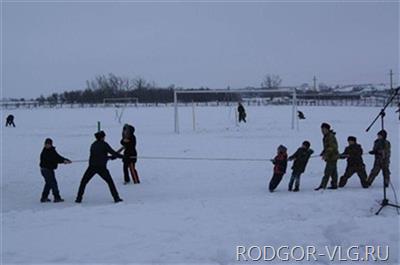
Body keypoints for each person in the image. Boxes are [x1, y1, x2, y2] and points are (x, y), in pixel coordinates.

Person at [75, 131, 124, 203]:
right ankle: (116, 198)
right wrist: (122, 157)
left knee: (83, 182)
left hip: (91, 167)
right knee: (110, 182)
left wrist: (110, 157)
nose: (105, 137)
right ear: (102, 137)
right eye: (104, 136)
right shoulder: (104, 144)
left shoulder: (93, 145)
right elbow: (113, 153)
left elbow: (99, 156)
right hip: (101, 168)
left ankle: (79, 199)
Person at [39, 138, 71, 203]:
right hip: (45, 170)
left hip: (49, 169)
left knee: (48, 183)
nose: (47, 145)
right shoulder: (45, 152)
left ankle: (44, 197)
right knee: (53, 183)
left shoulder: (52, 150)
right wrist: (63, 161)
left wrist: (65, 159)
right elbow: (53, 159)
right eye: (46, 144)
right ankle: (57, 197)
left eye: (48, 144)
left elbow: (57, 156)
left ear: (51, 144)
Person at [315, 123, 339, 190]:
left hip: (332, 157)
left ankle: (323, 186)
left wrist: (326, 154)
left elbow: (333, 147)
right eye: (322, 129)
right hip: (332, 157)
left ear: (328, 129)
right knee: (333, 172)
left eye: (324, 129)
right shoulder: (326, 136)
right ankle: (334, 185)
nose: (322, 131)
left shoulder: (330, 136)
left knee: (327, 172)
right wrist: (323, 152)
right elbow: (327, 147)